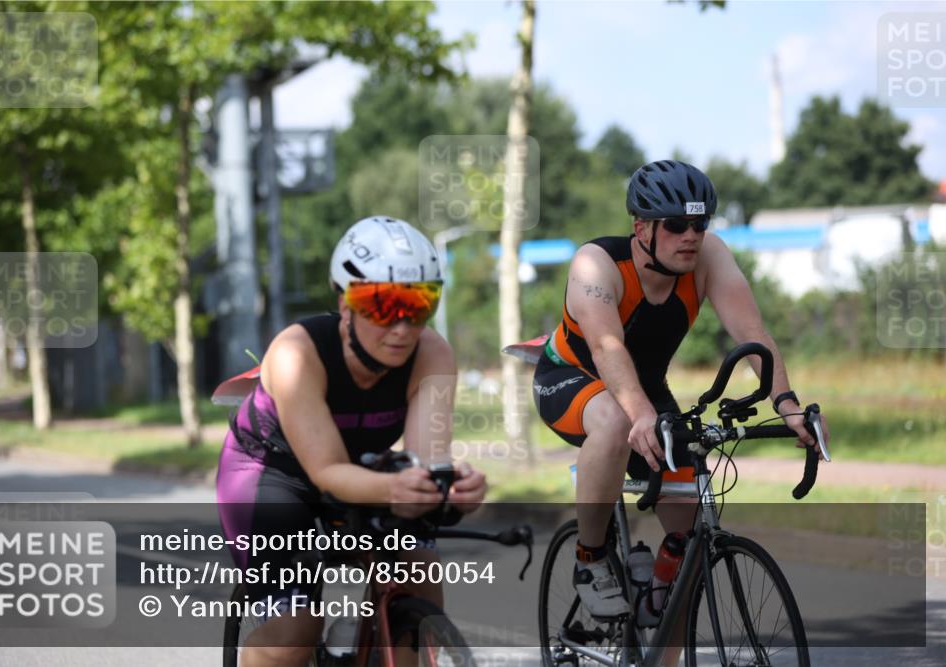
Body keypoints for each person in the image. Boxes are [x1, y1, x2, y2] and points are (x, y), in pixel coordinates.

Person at [532, 160, 830, 665]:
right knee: (615, 419)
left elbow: (753, 335)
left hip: (646, 392)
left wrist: (786, 404)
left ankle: (662, 594)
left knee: (690, 531)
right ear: (642, 227)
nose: (690, 236)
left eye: (699, 224)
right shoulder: (595, 266)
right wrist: (641, 414)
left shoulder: (709, 256)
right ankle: (591, 558)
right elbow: (606, 345)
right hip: (574, 381)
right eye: (675, 225)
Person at [216, 216, 487, 667]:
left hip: (359, 471)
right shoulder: (295, 354)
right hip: (273, 476)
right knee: (293, 631)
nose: (402, 326)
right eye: (382, 305)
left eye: (419, 304)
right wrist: (396, 488)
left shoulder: (433, 353)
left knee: (419, 575)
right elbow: (325, 472)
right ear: (344, 303)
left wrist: (452, 488)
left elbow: (424, 461)